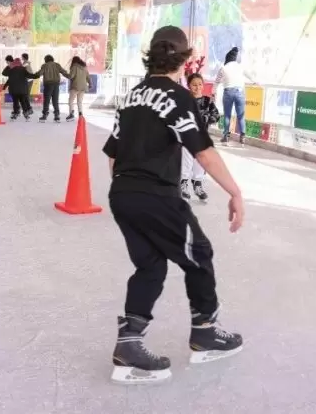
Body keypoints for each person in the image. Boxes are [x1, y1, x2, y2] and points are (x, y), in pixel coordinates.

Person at [102, 25, 244, 384]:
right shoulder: (179, 97)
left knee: (150, 267)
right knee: (199, 254)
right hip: (154, 195)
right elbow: (204, 153)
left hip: (123, 193)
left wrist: (131, 193)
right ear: (183, 60)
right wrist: (235, 192)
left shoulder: (132, 97)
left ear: (151, 55)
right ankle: (205, 331)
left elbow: (112, 156)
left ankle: (129, 345)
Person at [181, 73, 220, 203]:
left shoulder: (208, 102)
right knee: (186, 161)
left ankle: (198, 186)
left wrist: (208, 118)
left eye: (199, 84)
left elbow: (216, 115)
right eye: (194, 85)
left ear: (203, 86)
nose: (197, 87)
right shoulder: (185, 101)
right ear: (189, 86)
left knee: (201, 162)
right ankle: (183, 185)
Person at [215, 47, 253, 146]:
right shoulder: (240, 67)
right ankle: (243, 137)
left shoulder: (223, 68)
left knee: (227, 115)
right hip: (239, 92)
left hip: (228, 92)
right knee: (241, 116)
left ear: (227, 58)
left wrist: (213, 92)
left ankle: (226, 136)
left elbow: (216, 82)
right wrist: (255, 82)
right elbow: (250, 76)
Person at [2, 55, 39, 121]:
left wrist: (5, 86)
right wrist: (37, 75)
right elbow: (30, 75)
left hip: (14, 89)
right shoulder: (23, 69)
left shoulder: (11, 69)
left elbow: (4, 74)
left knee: (15, 102)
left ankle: (15, 114)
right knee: (22, 101)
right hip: (22, 89)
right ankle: (26, 115)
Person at [35, 54, 70, 123]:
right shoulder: (57, 65)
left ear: (46, 60)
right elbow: (64, 72)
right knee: (55, 101)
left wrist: (34, 75)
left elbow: (39, 74)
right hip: (56, 85)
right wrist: (70, 76)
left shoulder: (45, 65)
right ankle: (57, 116)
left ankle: (44, 115)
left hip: (48, 85)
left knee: (46, 101)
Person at [66, 56, 90, 122]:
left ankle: (71, 114)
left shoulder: (74, 66)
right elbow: (88, 77)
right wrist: (90, 84)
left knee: (71, 100)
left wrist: (65, 74)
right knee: (79, 101)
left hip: (75, 86)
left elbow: (71, 76)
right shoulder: (84, 67)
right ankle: (80, 115)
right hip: (83, 87)